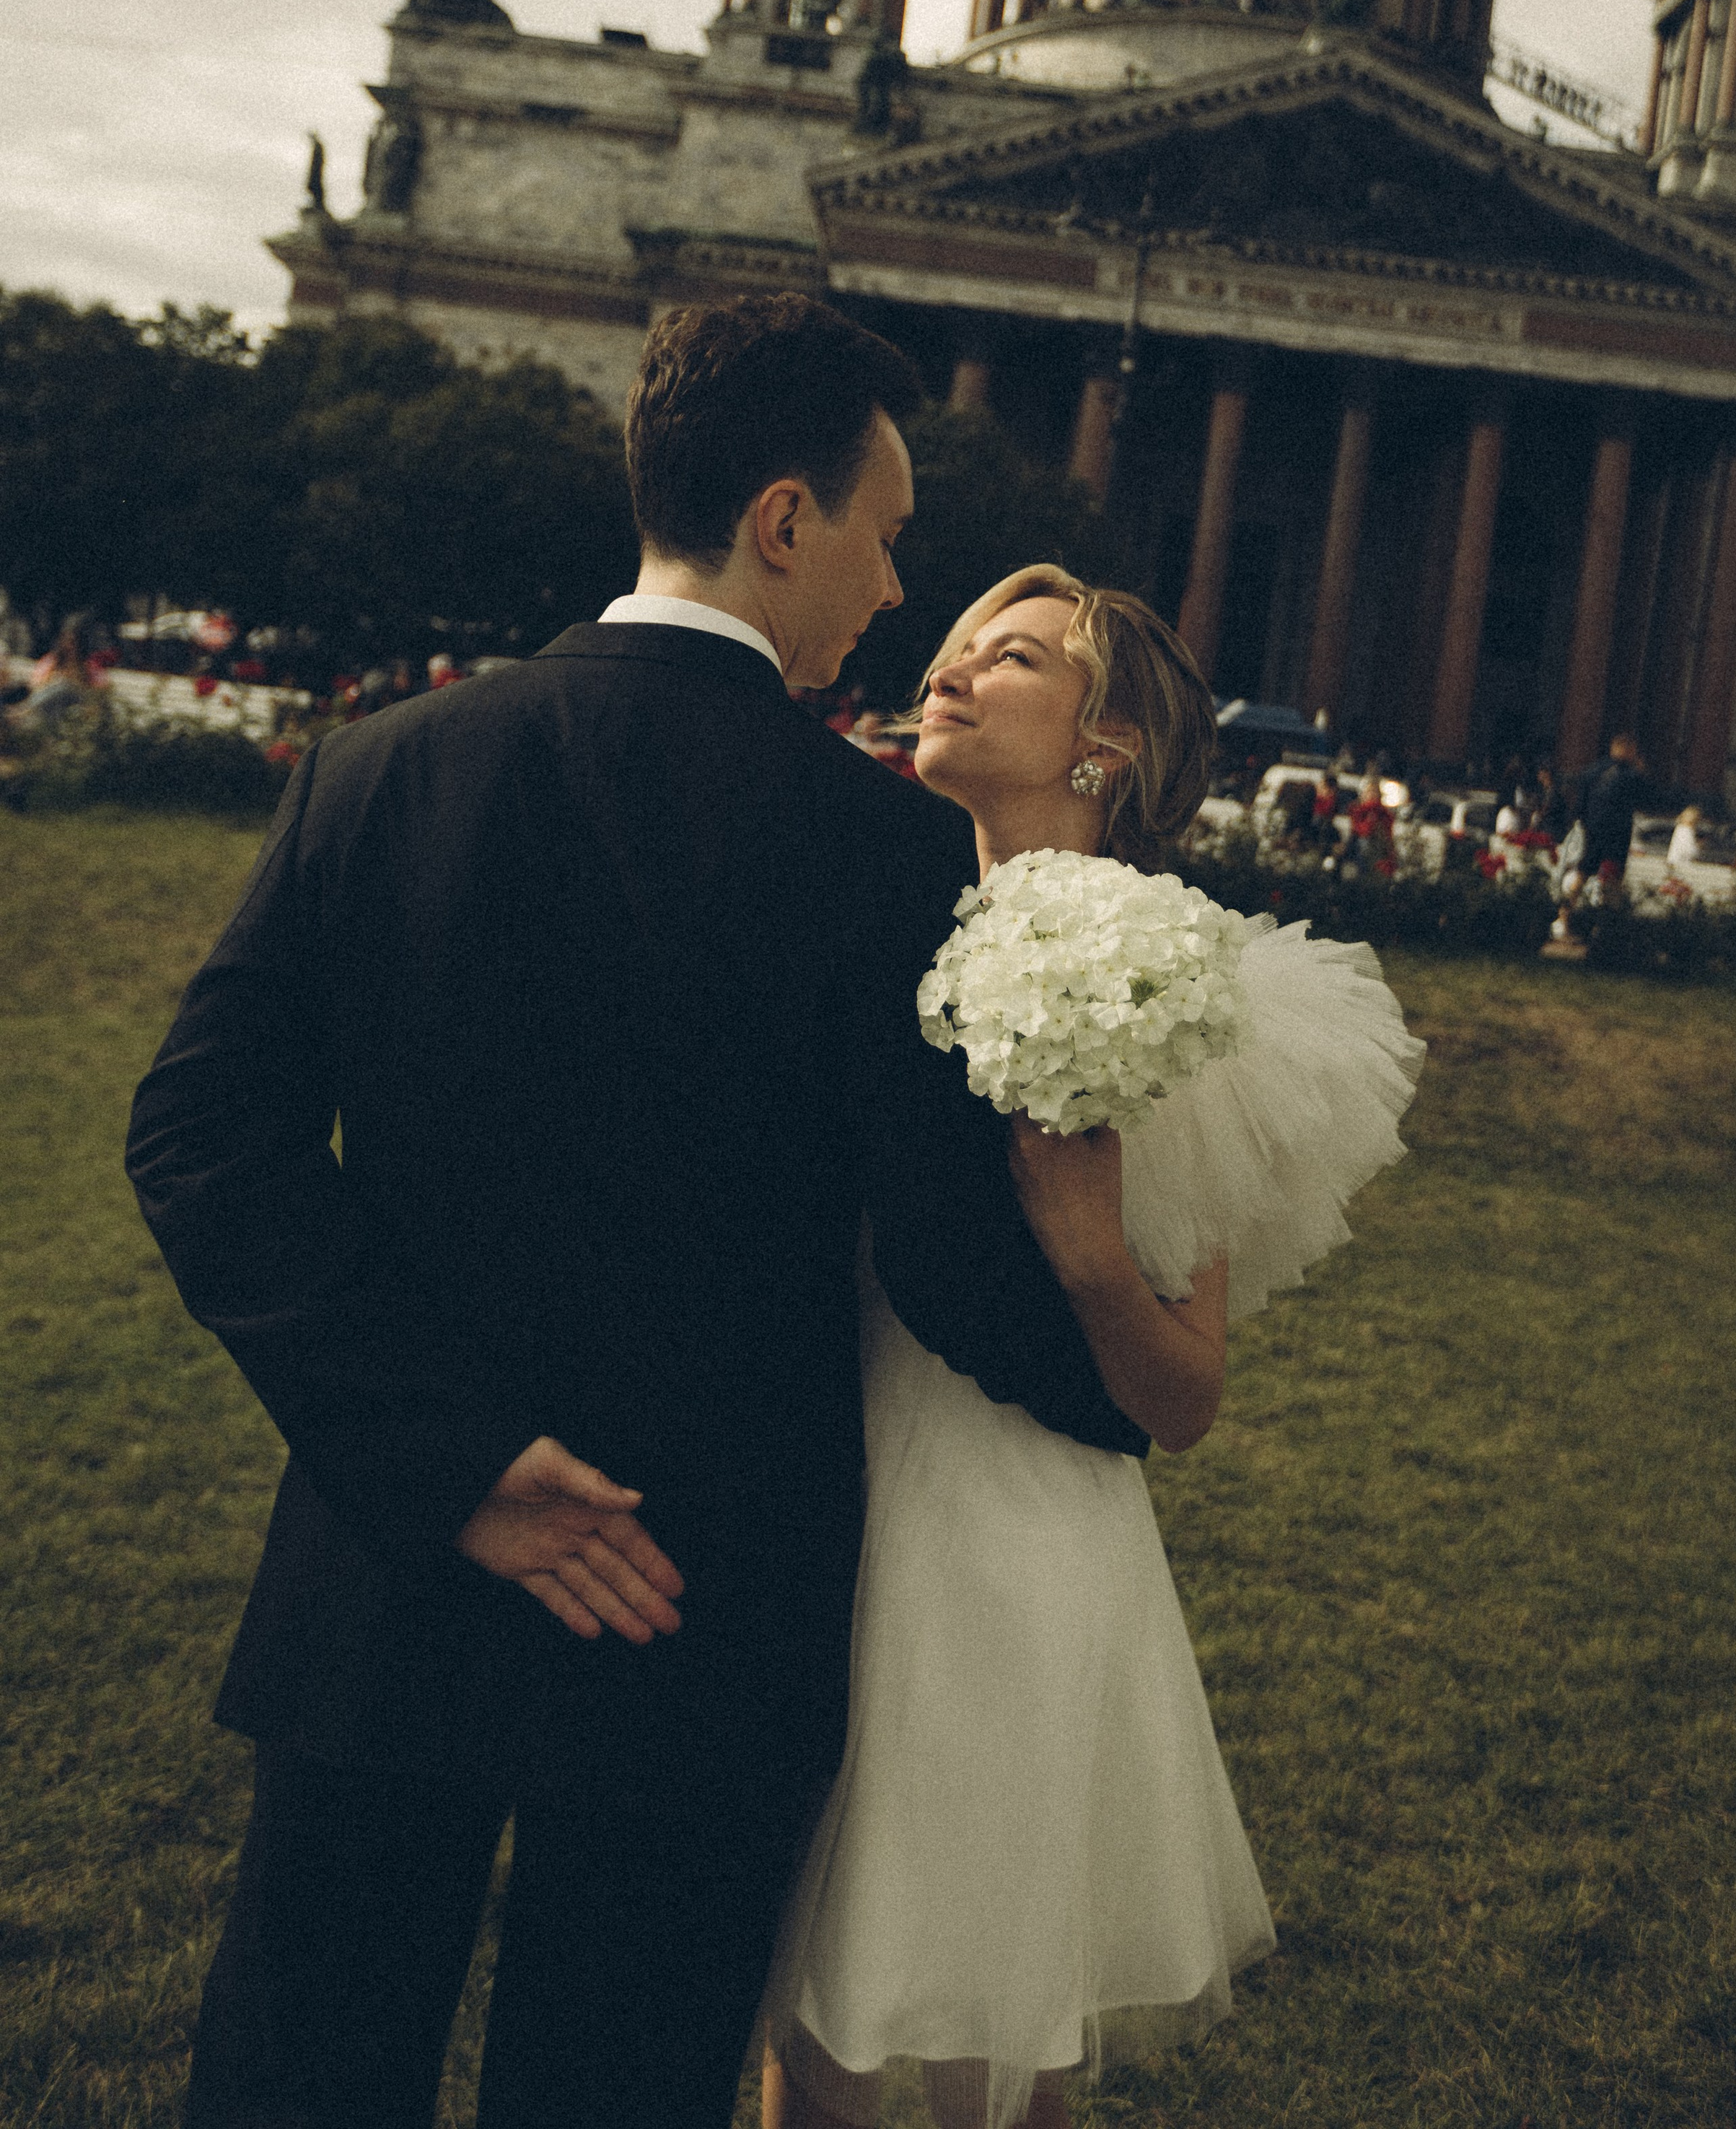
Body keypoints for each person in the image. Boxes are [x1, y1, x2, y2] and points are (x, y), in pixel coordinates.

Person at [126, 295, 1139, 2129]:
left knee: (303, 2070)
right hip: (702, 1606)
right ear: (780, 519)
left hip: (389, 1574)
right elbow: (938, 1255)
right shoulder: (876, 851)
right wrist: (1131, 1385)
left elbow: (201, 1138)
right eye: (885, 532)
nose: (897, 589)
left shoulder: (383, 766)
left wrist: (448, 1456)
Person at [761, 567, 1422, 2129]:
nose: (948, 675)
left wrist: (1087, 1260)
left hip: (1010, 1534)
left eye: (1009, 659)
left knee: (999, 2020)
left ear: (1102, 745)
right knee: (811, 2010)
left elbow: (1181, 1400)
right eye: (949, 652)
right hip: (816, 1485)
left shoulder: (1164, 991)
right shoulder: (865, 911)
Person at [1575, 732, 1649, 893]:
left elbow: (1580, 803)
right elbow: (1645, 798)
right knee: (1614, 877)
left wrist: (1584, 822)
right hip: (1617, 834)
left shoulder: (1592, 771)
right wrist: (1641, 773)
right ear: (1627, 750)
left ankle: (1565, 914)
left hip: (1592, 831)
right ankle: (1608, 916)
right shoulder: (1630, 775)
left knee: (1583, 872)